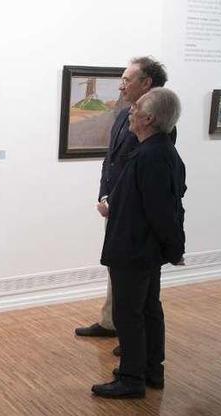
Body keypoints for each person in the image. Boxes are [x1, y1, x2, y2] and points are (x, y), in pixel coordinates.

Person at [75, 56, 174, 358]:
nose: (121, 85)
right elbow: (112, 161)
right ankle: (112, 322)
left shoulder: (157, 121)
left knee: (139, 285)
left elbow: (140, 171)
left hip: (135, 213)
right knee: (117, 271)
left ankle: (135, 344)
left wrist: (116, 200)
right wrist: (104, 195)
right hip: (116, 206)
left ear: (146, 83)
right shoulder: (123, 115)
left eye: (127, 79)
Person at [92, 87, 186, 399]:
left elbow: (161, 210)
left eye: (136, 110)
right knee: (147, 309)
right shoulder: (161, 151)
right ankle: (150, 369)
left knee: (129, 314)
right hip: (143, 248)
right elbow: (159, 200)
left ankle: (132, 378)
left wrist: (175, 247)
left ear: (148, 119)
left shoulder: (150, 155)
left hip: (134, 248)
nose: (130, 113)